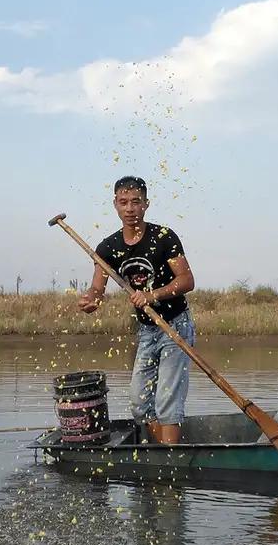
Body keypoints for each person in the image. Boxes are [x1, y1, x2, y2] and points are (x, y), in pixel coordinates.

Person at [78, 175, 196, 444]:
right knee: (140, 403)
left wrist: (152, 295)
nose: (130, 208)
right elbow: (98, 288)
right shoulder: (108, 248)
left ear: (146, 204)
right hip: (147, 330)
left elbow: (187, 281)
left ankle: (169, 461)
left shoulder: (164, 237)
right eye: (124, 202)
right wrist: (91, 301)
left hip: (175, 325)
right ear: (115, 205)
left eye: (136, 202)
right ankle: (160, 455)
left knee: (167, 401)